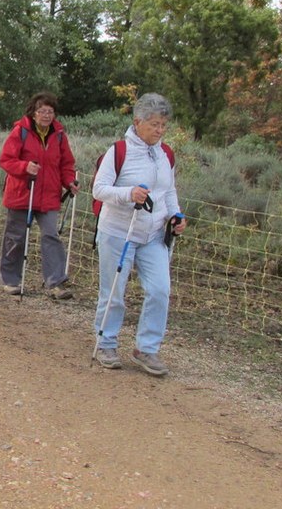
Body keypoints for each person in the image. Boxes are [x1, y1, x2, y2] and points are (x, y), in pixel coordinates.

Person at [92, 92, 187, 376]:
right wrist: (128, 194)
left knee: (160, 290)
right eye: (155, 124)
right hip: (118, 232)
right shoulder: (118, 151)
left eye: (163, 125)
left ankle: (147, 348)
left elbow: (168, 191)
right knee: (114, 293)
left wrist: (175, 216)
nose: (160, 131)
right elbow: (99, 189)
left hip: (154, 234)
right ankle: (106, 343)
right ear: (138, 122)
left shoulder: (165, 154)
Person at [0, 92, 78, 298]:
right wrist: (25, 167)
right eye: (42, 111)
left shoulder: (59, 135)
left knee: (51, 235)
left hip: (49, 195)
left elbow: (66, 164)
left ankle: (56, 283)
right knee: (16, 237)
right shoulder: (20, 132)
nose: (46, 115)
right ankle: (11, 280)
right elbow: (6, 160)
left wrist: (69, 182)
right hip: (22, 193)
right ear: (33, 113)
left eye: (50, 111)